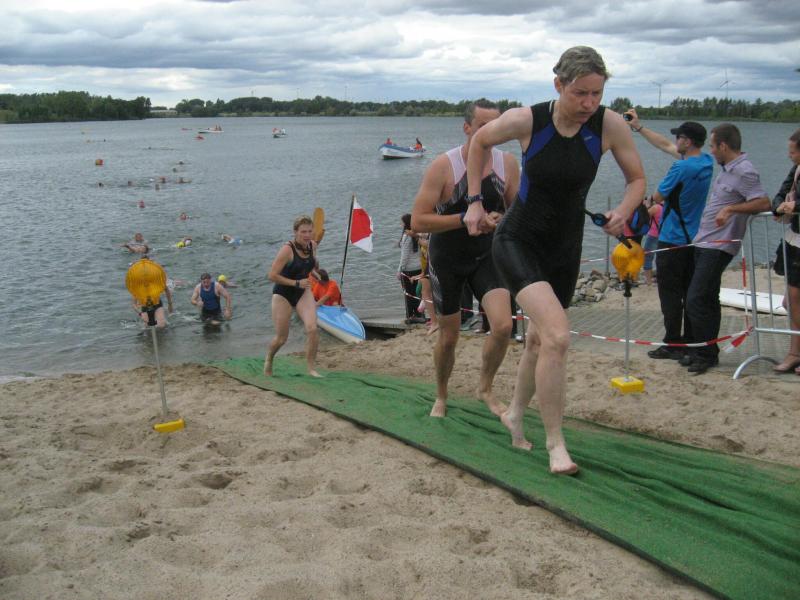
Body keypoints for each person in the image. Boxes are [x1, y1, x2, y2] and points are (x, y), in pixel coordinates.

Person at [464, 47, 646, 474]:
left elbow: (637, 179)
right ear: (558, 85)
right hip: (518, 239)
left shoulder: (609, 125)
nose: (589, 103)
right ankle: (555, 444)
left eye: (597, 94)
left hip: (565, 248)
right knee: (559, 337)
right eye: (580, 93)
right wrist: (474, 200)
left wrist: (623, 211)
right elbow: (480, 142)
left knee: (540, 340)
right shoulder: (528, 120)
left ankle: (514, 414)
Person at [411, 99, 521, 418]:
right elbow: (418, 220)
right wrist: (464, 219)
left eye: (496, 125)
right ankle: (441, 394)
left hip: (488, 254)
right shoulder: (444, 166)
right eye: (484, 125)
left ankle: (484, 387)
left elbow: (518, 211)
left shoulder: (507, 163)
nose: (491, 131)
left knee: (503, 326)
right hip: (448, 257)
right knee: (449, 338)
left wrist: (501, 218)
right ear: (467, 127)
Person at [681, 124, 771, 374]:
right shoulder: (726, 170)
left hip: (719, 245)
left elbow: (763, 202)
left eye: (712, 146)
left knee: (696, 298)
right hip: (704, 241)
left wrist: (731, 209)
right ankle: (704, 351)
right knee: (707, 298)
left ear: (723, 145)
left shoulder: (744, 170)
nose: (710, 150)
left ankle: (705, 353)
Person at [624, 113, 714, 360]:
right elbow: (664, 145)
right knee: (688, 292)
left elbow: (657, 197)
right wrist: (639, 127)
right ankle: (690, 340)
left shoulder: (681, 167)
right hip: (694, 238)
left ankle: (673, 342)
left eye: (679, 137)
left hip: (672, 239)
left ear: (688, 141)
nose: (675, 140)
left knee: (670, 295)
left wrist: (640, 205)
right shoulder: (706, 162)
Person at [264, 215, 321, 377]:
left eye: (309, 231)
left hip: (303, 291)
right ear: (295, 232)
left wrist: (315, 272)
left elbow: (310, 266)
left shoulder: (312, 245)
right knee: (281, 338)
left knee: (312, 329)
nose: (307, 235)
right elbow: (272, 275)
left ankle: (311, 368)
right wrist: (296, 283)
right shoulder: (287, 249)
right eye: (303, 232)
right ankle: (269, 358)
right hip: (283, 294)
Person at [770, 128, 800, 374]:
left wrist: (796, 205)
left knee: (793, 298)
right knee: (790, 301)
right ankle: (794, 353)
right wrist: (779, 206)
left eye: (793, 152)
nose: (789, 156)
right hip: (795, 238)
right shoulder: (796, 169)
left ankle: (795, 353)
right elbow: (781, 192)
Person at [398, 214, 425, 324]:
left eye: (401, 222)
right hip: (419, 268)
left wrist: (400, 270)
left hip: (408, 270)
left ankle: (410, 316)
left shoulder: (406, 236)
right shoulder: (418, 235)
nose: (400, 224)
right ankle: (420, 314)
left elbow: (404, 256)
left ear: (405, 223)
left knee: (408, 294)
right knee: (418, 293)